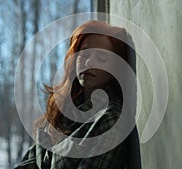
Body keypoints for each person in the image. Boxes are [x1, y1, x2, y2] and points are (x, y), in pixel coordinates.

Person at [14, 20, 142, 169]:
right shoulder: (63, 108)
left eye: (101, 58)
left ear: (115, 69)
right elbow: (30, 161)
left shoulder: (110, 119)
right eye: (84, 54)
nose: (88, 62)